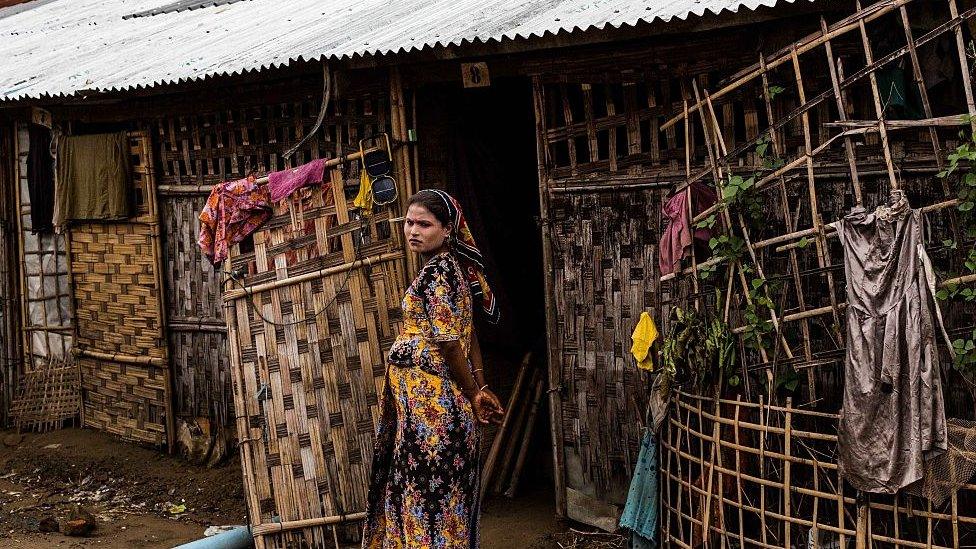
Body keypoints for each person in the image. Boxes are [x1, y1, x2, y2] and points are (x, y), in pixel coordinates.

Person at [363, 189, 505, 548]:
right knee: (436, 499)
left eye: (424, 224)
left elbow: (449, 341)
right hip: (429, 412)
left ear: (446, 230)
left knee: (428, 497)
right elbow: (467, 332)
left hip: (434, 417)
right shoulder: (453, 271)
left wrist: (475, 392)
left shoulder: (437, 275)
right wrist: (481, 385)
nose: (413, 230)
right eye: (409, 222)